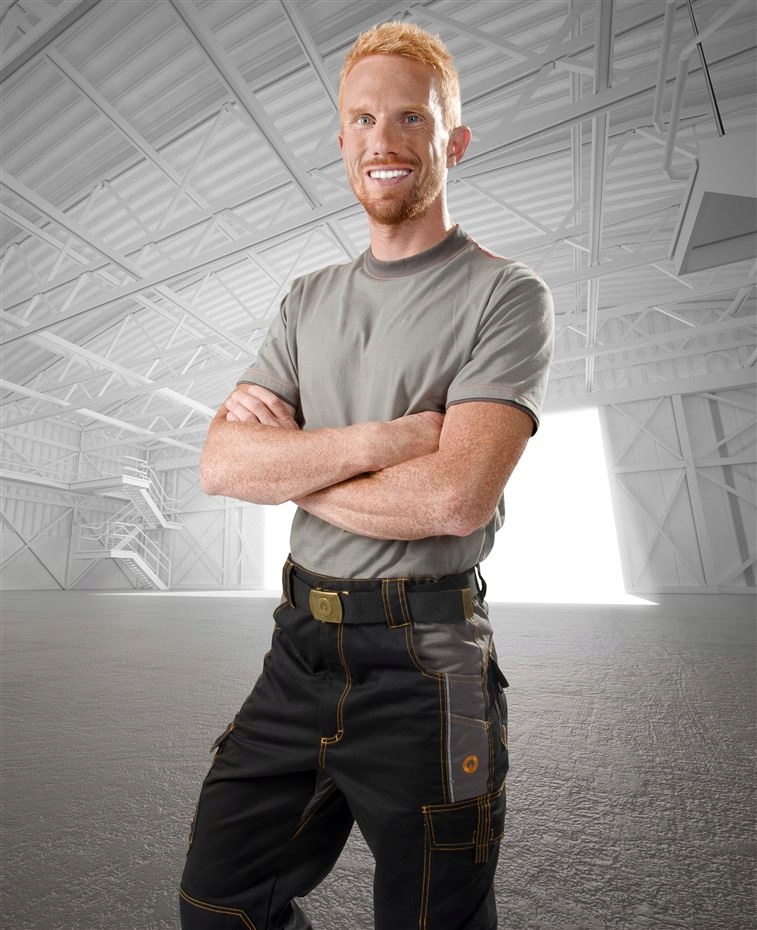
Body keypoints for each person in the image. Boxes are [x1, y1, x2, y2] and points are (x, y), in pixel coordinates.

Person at [179, 20, 553, 930]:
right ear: (342, 140)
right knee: (219, 904)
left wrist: (290, 466)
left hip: (427, 662)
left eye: (411, 119)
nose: (383, 140)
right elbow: (222, 464)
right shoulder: (306, 299)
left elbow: (453, 498)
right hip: (298, 648)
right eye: (362, 119)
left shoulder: (505, 296)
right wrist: (388, 440)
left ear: (454, 141)